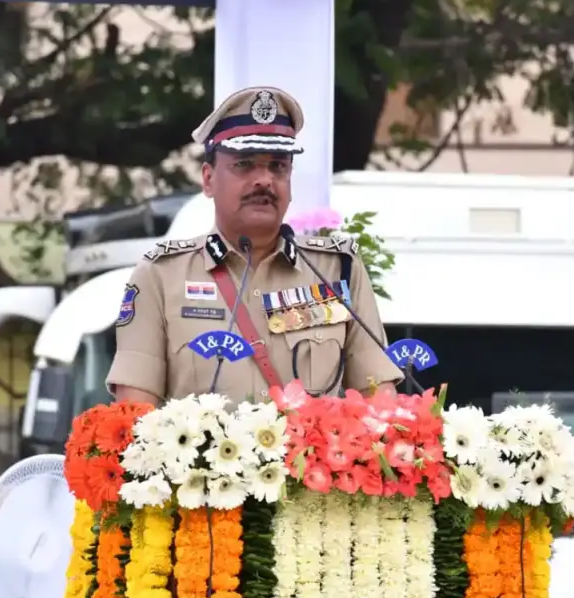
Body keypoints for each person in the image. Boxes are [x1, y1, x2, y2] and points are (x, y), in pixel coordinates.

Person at [106, 86, 403, 405]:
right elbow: (135, 416)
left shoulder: (337, 269)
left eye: (278, 166)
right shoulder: (161, 276)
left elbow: (380, 407)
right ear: (208, 179)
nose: (264, 180)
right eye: (244, 165)